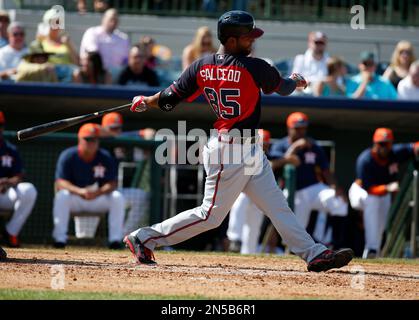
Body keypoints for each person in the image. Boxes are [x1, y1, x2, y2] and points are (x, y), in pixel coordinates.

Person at [125, 10, 354, 272]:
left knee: (277, 206)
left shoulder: (202, 65)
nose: (253, 41)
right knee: (210, 216)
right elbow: (284, 87)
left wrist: (144, 101)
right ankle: (143, 238)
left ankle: (314, 254)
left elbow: (167, 99)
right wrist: (296, 80)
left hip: (247, 149)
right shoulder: (254, 66)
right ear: (231, 40)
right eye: (248, 37)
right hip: (229, 150)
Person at [269, 112, 348, 247]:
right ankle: (288, 251)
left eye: (303, 128)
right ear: (289, 128)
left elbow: (325, 170)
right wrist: (294, 148)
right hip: (292, 191)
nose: (301, 132)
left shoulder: (313, 145)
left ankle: (335, 245)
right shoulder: (280, 145)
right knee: (296, 230)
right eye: (297, 128)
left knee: (339, 202)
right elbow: (273, 164)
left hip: (313, 188)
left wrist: (335, 186)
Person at [52, 123, 125, 249]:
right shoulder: (68, 155)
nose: (91, 143)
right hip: (76, 198)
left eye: (94, 140)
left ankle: (115, 241)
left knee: (117, 197)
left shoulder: (105, 156)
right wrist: (79, 191)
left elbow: (112, 183)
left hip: (97, 198)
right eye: (87, 139)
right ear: (80, 139)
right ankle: (59, 240)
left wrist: (97, 193)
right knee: (62, 196)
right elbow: (60, 182)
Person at [349, 128, 419, 259]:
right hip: (360, 193)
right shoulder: (365, 159)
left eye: (387, 144)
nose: (384, 147)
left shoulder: (395, 152)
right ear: (375, 144)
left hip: (383, 194)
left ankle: (373, 253)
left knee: (380, 226)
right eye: (381, 144)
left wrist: (416, 148)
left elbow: (413, 146)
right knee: (373, 201)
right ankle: (371, 249)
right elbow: (369, 188)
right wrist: (387, 188)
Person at [101, 112, 151, 235]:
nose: (116, 131)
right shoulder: (96, 139)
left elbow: (149, 132)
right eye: (112, 128)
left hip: (112, 192)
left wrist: (146, 140)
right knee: (85, 234)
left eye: (118, 128)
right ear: (104, 128)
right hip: (90, 192)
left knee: (141, 197)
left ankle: (125, 236)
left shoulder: (122, 138)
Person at [226, 129, 271, 254]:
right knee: (240, 201)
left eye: (264, 144)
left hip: (259, 195)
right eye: (259, 144)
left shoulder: (270, 156)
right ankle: (235, 239)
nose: (262, 147)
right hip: (244, 191)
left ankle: (248, 254)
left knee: (254, 226)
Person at [0, 111, 38, 248]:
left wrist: (6, 182)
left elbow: (19, 175)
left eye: (0, 125)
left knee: (28, 189)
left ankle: (10, 233)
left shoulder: (10, 149)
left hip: (5, 192)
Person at [79, 9, 129, 74]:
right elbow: (93, 56)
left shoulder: (124, 38)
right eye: (111, 19)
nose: (113, 22)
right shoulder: (92, 33)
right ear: (103, 18)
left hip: (117, 76)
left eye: (116, 20)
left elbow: (126, 60)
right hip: (95, 75)